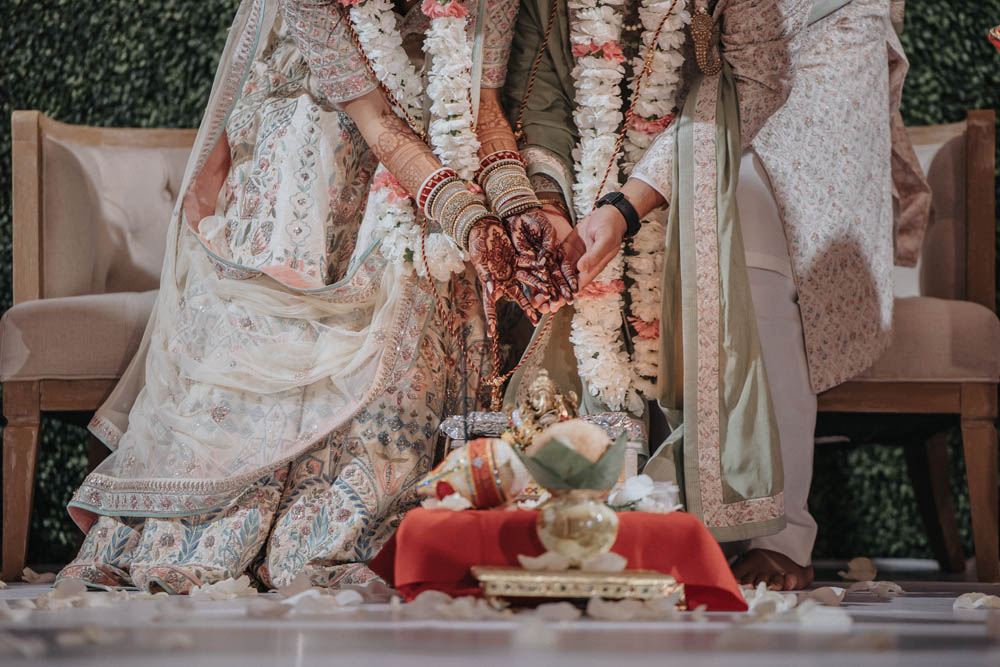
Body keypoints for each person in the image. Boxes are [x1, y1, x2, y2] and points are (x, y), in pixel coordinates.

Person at [58, 0, 564, 593]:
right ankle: (225, 526)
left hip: (436, 145)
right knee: (285, 312)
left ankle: (342, 522)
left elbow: (478, 102)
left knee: (411, 316)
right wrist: (468, 220)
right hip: (308, 142)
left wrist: (516, 208)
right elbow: (372, 115)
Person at [502, 0, 928, 589]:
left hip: (809, 55)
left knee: (749, 231)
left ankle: (781, 536)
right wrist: (548, 202)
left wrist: (627, 204)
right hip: (688, 95)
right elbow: (544, 84)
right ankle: (620, 497)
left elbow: (755, 82)